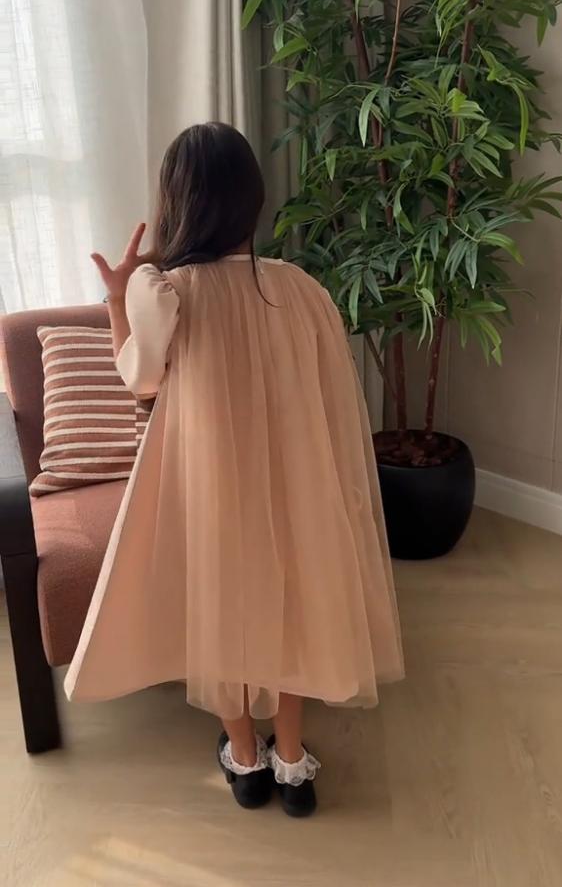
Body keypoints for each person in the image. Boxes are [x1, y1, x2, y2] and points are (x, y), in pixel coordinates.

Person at [64, 122, 404, 818]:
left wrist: (118, 297)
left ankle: (244, 759)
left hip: (209, 486)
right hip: (297, 483)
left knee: (219, 606)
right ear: (253, 197)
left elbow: (139, 381)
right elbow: (329, 397)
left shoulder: (164, 290)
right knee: (294, 605)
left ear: (176, 201)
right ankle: (292, 763)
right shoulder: (301, 288)